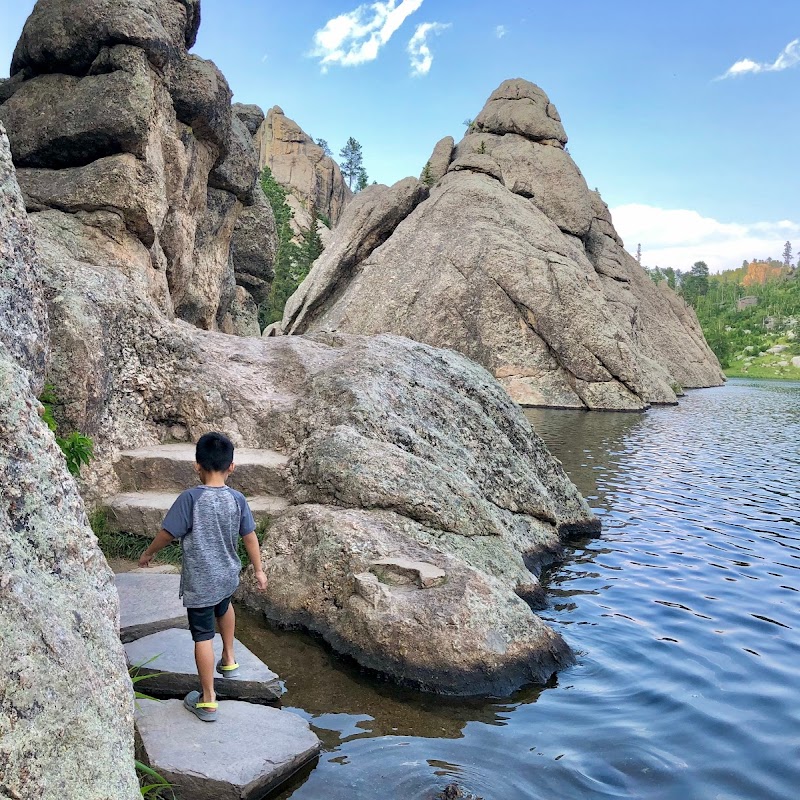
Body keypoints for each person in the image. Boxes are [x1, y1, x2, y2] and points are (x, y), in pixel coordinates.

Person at [138, 432, 268, 721]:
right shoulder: (237, 499)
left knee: (202, 636)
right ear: (231, 466)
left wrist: (149, 553)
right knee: (225, 606)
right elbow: (250, 537)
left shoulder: (191, 499)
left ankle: (208, 699)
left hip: (201, 582)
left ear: (197, 465)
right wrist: (259, 570)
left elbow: (167, 533)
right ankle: (230, 658)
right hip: (226, 575)